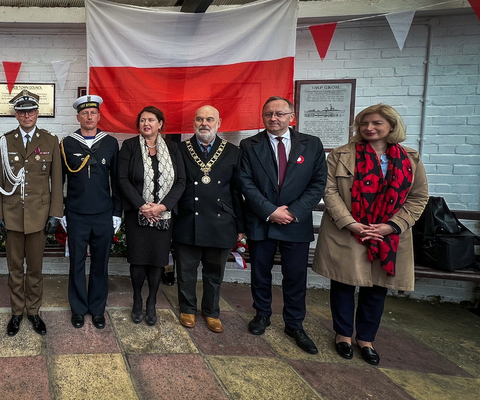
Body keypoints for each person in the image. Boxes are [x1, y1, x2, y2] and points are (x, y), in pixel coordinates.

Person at [312, 104, 428, 366]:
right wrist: (351, 223)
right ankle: (343, 334)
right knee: (343, 283)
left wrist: (392, 225)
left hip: (388, 234)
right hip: (350, 232)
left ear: (392, 126)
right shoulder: (341, 155)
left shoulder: (410, 158)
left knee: (377, 287)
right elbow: (329, 191)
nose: (369, 128)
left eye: (376, 123)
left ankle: (366, 339)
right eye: (364, 123)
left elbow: (418, 197)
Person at [239, 96, 326, 354]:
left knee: (296, 276)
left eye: (279, 114)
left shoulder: (312, 145)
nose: (273, 118)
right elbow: (245, 182)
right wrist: (270, 211)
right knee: (260, 273)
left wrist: (293, 212)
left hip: (295, 223)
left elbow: (318, 183)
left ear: (292, 116)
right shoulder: (249, 145)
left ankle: (295, 324)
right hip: (262, 221)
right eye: (268, 114)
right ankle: (262, 314)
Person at [0, 90, 63, 336]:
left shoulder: (50, 141)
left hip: (39, 216)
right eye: (22, 111)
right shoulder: (3, 141)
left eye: (31, 111)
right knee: (14, 269)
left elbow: (57, 181)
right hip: (12, 216)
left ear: (37, 113)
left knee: (34, 268)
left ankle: (33, 312)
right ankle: (16, 312)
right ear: (16, 114)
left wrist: (55, 214)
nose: (26, 115)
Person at [174, 105, 244, 333]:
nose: (204, 123)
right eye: (199, 119)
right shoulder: (180, 150)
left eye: (209, 119)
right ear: (193, 123)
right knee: (186, 270)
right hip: (188, 219)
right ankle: (187, 308)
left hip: (221, 222)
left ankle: (212, 311)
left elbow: (237, 192)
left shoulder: (233, 152)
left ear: (219, 122)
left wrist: (240, 226)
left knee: (214, 272)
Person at [117, 106, 186, 326]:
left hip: (163, 216)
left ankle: (152, 301)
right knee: (138, 260)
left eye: (151, 120)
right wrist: (142, 206)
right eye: (143, 120)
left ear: (160, 124)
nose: (147, 124)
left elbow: (180, 182)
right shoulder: (129, 146)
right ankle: (137, 299)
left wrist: (162, 206)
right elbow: (122, 180)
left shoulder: (174, 149)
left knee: (157, 261)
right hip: (137, 214)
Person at [60, 94, 122, 330]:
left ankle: (97, 309)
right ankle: (78, 308)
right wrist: (61, 212)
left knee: (100, 263)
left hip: (103, 214)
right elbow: (60, 181)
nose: (89, 116)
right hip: (76, 213)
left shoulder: (110, 143)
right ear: (78, 117)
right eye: (84, 113)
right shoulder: (67, 143)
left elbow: (116, 181)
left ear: (99, 115)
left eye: (93, 113)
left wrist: (117, 212)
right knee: (76, 263)